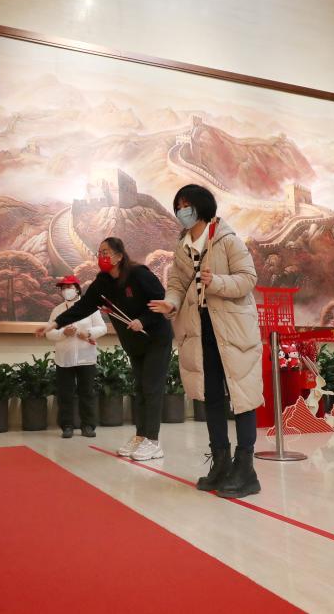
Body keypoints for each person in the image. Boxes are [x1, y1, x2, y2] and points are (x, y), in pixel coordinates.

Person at [147, 184, 263, 498]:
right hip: (201, 330)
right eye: (178, 205)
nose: (182, 210)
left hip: (233, 329)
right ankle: (221, 463)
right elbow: (176, 283)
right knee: (211, 396)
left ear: (202, 206)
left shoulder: (227, 239)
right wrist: (170, 303)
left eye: (187, 204)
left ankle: (246, 469)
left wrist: (217, 282)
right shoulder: (182, 246)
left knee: (242, 395)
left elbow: (248, 279)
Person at [37, 238, 174, 461]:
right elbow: (83, 307)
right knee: (140, 388)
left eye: (106, 252)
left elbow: (162, 302)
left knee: (152, 388)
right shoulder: (102, 282)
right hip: (134, 343)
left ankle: (153, 441)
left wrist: (143, 320)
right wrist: (54, 324)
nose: (101, 256)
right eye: (99, 252)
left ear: (119, 256)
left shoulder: (139, 274)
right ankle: (141, 436)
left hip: (155, 338)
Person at [45, 276, 107, 439]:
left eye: (69, 287)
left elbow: (102, 328)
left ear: (77, 289)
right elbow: (49, 333)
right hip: (64, 358)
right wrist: (63, 333)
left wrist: (88, 333)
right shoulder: (57, 310)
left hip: (86, 357)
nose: (66, 290)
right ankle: (67, 426)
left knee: (87, 393)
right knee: (65, 393)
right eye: (63, 288)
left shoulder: (90, 308)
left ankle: (88, 426)